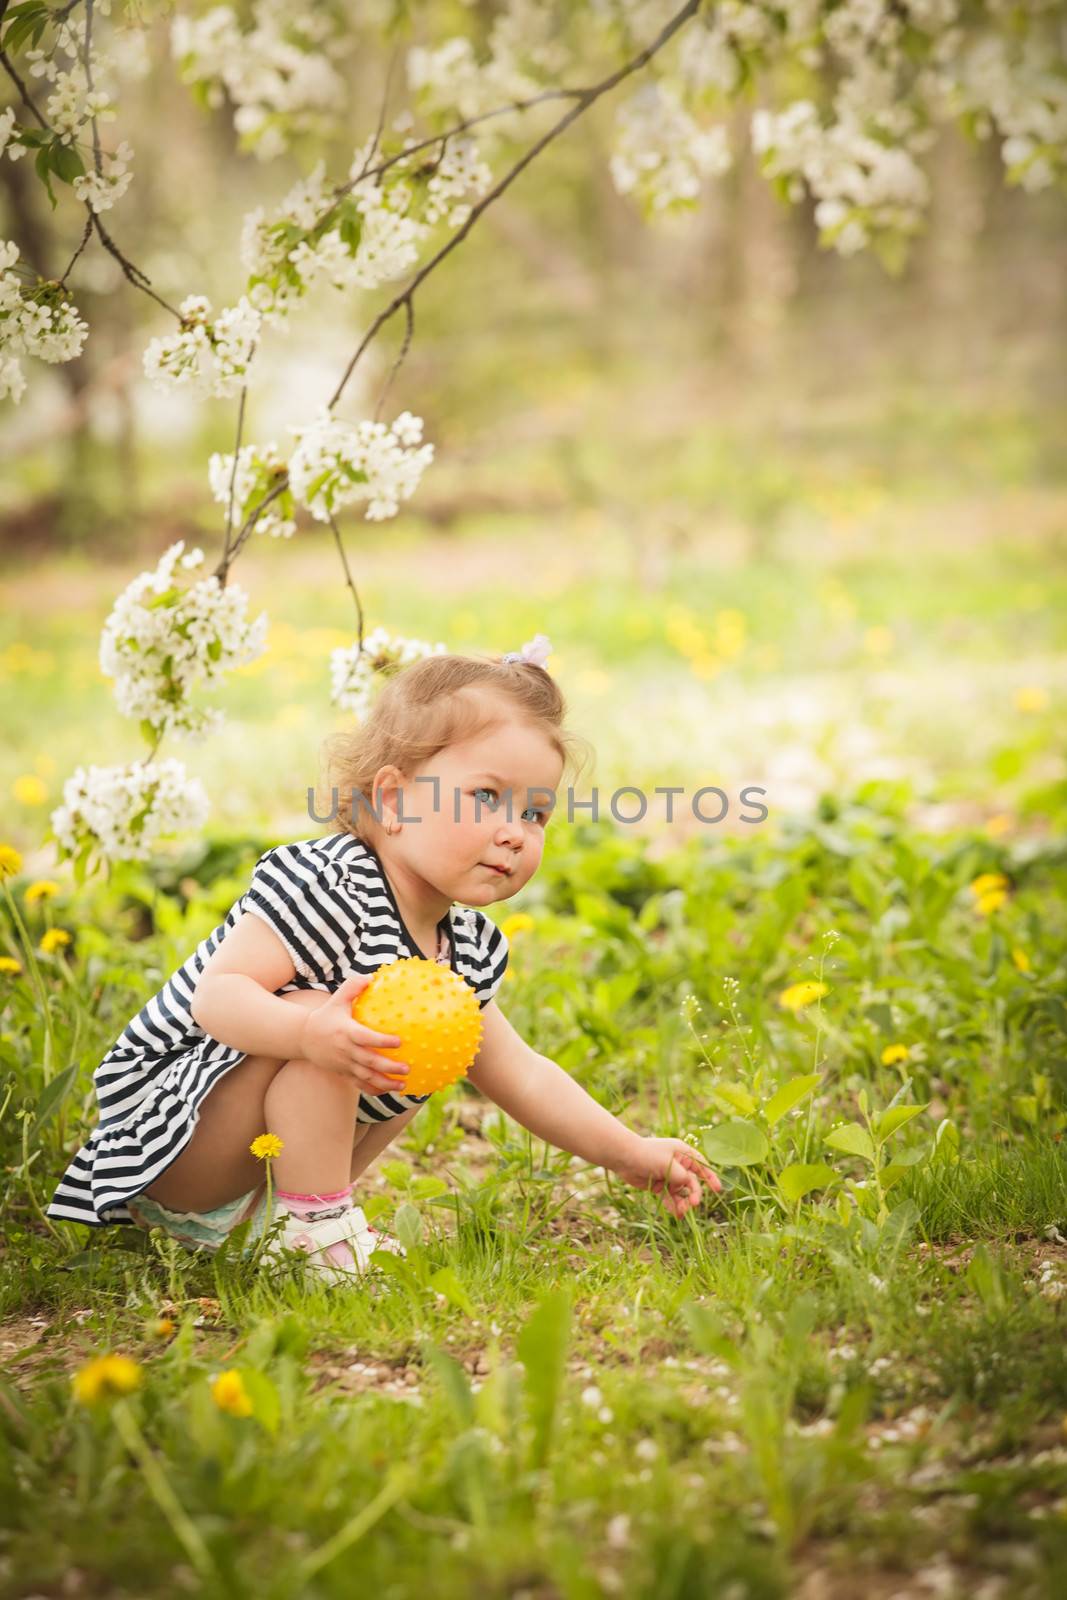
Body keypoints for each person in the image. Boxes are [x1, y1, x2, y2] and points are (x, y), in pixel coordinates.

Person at [47, 634, 721, 1281]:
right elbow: (217, 997)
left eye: (536, 813)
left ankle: (286, 1219)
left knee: (437, 1034)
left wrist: (628, 1153)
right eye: (487, 796)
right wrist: (309, 1031)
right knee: (337, 1018)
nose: (513, 833)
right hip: (176, 1139)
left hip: (252, 1169)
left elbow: (522, 1074)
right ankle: (318, 1228)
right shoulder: (326, 884)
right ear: (394, 799)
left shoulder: (462, 951)